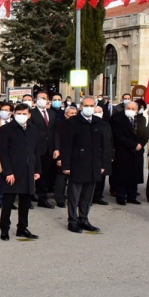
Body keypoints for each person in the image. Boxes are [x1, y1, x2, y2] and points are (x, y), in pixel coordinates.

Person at [61, 96, 110, 233]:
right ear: (81, 106)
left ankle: (84, 218)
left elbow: (103, 145)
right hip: (77, 163)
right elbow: (67, 145)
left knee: (88, 195)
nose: (89, 108)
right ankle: (73, 220)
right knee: (74, 195)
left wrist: (103, 164)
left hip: (94, 163)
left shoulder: (99, 122)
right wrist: (66, 166)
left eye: (92, 105)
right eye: (86, 105)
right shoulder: (72, 122)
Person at [0, 103, 42, 241]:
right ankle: (4, 229)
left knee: (25, 202)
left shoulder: (33, 129)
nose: (22, 116)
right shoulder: (6, 129)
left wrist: (37, 170)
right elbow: (2, 152)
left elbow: (36, 151)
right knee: (8, 203)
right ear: (14, 114)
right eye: (19, 113)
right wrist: (8, 172)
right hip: (12, 172)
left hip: (28, 171)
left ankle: (22, 228)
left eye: (24, 114)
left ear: (29, 115)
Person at [109, 100, 147, 205]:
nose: (130, 110)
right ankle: (121, 196)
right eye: (128, 108)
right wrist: (133, 145)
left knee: (134, 175)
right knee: (122, 174)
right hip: (123, 151)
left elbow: (145, 134)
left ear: (137, 110)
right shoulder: (118, 119)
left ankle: (132, 196)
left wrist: (140, 144)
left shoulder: (141, 119)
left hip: (137, 151)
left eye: (133, 109)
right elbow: (118, 136)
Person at [29, 91, 56, 208]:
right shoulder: (32, 113)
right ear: (35, 100)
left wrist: (56, 148)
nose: (43, 100)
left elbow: (54, 132)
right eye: (40, 98)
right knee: (31, 173)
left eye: (45, 98)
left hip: (48, 149)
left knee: (44, 175)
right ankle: (28, 197)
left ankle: (42, 198)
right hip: (35, 148)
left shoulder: (52, 113)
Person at [53, 105, 78, 208]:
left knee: (74, 180)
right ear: (65, 115)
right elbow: (57, 141)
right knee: (61, 179)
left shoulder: (79, 125)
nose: (73, 115)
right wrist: (59, 158)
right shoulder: (60, 125)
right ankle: (59, 199)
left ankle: (73, 199)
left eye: (75, 113)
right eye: (71, 113)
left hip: (76, 156)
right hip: (63, 155)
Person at [91, 106, 113, 206]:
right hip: (93, 154)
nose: (97, 113)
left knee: (102, 176)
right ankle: (89, 197)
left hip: (104, 154)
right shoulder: (89, 124)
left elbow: (111, 141)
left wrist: (112, 155)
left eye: (99, 112)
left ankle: (98, 196)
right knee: (92, 177)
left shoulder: (106, 125)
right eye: (95, 111)